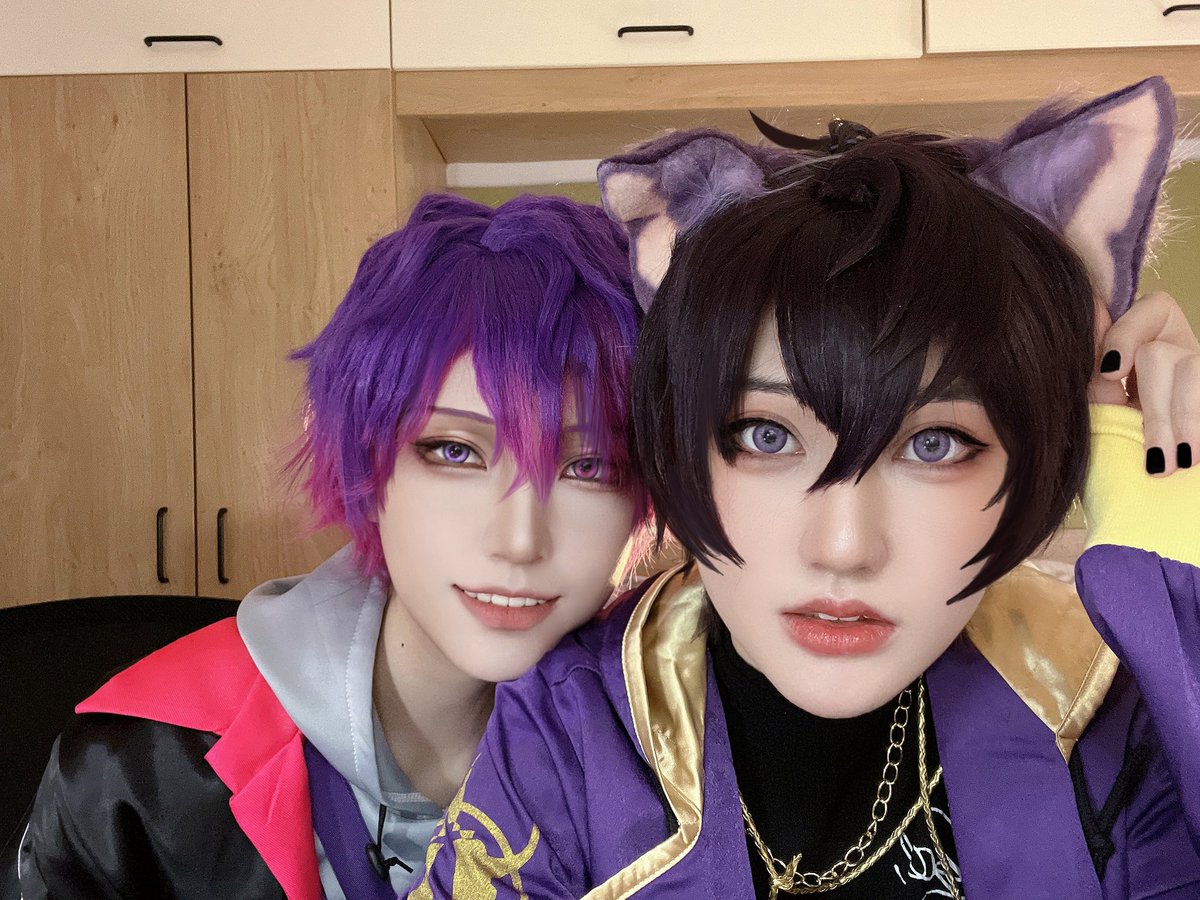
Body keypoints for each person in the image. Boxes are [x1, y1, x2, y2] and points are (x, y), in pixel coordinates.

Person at [409, 77, 1200, 898]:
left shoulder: (1105, 704)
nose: (844, 547)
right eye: (766, 436)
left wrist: (1183, 586)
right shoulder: (577, 728)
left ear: (1044, 453)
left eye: (934, 445)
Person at [18, 194, 647, 899]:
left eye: (589, 466)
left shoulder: (668, 748)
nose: (520, 540)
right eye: (454, 451)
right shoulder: (136, 768)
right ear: (366, 466)